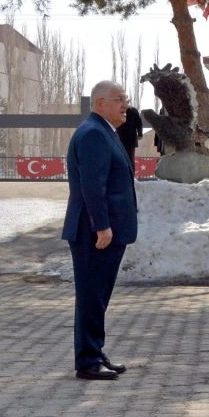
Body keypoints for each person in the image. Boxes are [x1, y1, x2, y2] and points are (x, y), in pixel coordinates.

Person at [62, 80, 139, 380]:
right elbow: (93, 186)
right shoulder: (93, 134)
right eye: (119, 99)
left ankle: (94, 351)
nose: (125, 104)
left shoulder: (105, 131)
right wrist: (102, 226)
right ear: (99, 104)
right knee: (92, 295)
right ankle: (88, 361)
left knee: (96, 296)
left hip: (102, 229)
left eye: (126, 98)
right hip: (93, 232)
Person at [115, 106, 143, 175]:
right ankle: (125, 175)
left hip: (128, 138)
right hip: (121, 138)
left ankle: (131, 175)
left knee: (129, 158)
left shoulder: (133, 111)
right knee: (123, 158)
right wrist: (140, 134)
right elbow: (139, 124)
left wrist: (140, 134)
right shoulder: (118, 110)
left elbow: (139, 123)